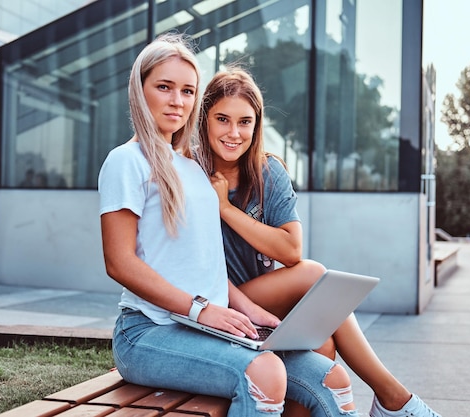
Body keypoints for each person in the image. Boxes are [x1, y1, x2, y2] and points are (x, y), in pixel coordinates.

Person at [98, 33, 359, 417]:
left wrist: (247, 307)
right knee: (264, 372)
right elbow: (119, 263)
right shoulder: (127, 161)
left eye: (188, 91)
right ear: (140, 89)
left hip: (203, 328)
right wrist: (201, 310)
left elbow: (205, 264)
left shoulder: (192, 169)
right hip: (146, 333)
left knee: (332, 380)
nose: (177, 100)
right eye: (164, 87)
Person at [195, 66, 443, 417]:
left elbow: (290, 250)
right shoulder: (190, 172)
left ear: (257, 124)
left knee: (323, 343)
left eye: (245, 122)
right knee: (314, 273)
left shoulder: (269, 173)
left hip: (259, 300)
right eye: (222, 119)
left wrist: (225, 208)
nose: (234, 132)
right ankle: (392, 397)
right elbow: (298, 261)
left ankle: (391, 399)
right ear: (204, 119)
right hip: (214, 302)